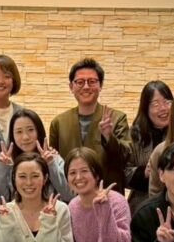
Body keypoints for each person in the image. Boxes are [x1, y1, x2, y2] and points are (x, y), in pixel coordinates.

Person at [49, 58, 132, 191]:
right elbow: (54, 165)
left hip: (107, 195)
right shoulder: (58, 123)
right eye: (80, 82)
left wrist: (108, 137)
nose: (86, 87)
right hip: (69, 197)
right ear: (71, 87)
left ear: (100, 85)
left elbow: (126, 158)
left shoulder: (117, 118)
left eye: (92, 81)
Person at [66, 147, 133, 242]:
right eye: (72, 173)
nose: (78, 177)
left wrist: (104, 211)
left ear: (96, 175)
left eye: (84, 171)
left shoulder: (116, 201)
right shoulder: (72, 206)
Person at [0, 109, 70, 201]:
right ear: (12, 135)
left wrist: (50, 164)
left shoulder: (54, 159)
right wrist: (2, 168)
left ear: (39, 131)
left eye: (30, 130)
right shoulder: (7, 162)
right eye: (19, 132)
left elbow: (68, 195)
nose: (25, 137)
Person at [125, 81, 172, 212]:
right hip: (141, 205)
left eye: (167, 102)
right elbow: (123, 172)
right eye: (155, 104)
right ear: (146, 108)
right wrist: (144, 173)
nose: (163, 108)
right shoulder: (134, 134)